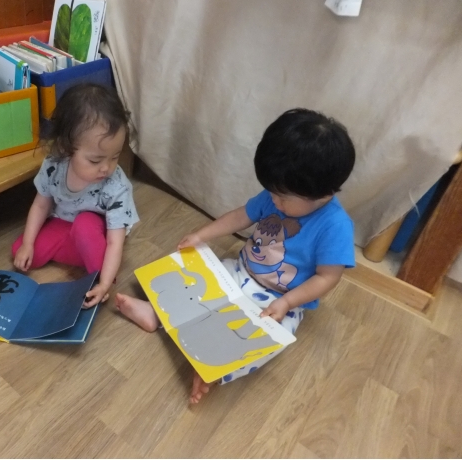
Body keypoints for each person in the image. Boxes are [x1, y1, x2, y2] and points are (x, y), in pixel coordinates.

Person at [115, 108, 356, 403]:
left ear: (322, 193)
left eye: (282, 197)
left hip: (281, 300)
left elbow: (327, 277)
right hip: (239, 271)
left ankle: (215, 369)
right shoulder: (277, 193)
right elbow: (242, 216)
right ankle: (156, 313)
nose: (274, 201)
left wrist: (287, 303)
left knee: (263, 340)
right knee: (192, 284)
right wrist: (202, 235)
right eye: (272, 192)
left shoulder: (335, 226)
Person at [13, 83, 139, 308]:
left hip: (99, 229)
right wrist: (28, 244)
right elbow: (41, 205)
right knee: (20, 252)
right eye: (95, 160)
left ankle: (97, 266)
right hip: (64, 222)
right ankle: (84, 251)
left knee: (84, 225)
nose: (106, 168)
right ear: (66, 148)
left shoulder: (116, 186)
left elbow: (115, 241)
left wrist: (105, 283)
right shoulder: (54, 165)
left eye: (115, 157)